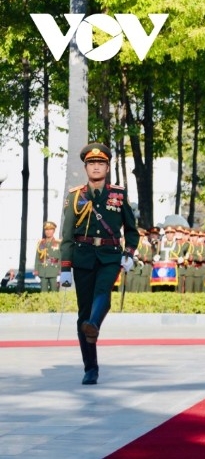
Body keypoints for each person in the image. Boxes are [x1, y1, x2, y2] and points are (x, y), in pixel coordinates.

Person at [58, 143, 139, 385]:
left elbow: (131, 230)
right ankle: (90, 368)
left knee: (103, 292)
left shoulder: (118, 195)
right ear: (86, 168)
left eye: (101, 163)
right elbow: (67, 234)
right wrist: (65, 267)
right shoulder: (75, 196)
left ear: (107, 167)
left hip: (110, 255)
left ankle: (93, 324)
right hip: (82, 256)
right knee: (83, 312)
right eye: (92, 163)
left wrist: (129, 253)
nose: (96, 167)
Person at [34, 221, 61, 292]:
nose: (48, 231)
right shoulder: (41, 243)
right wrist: (36, 272)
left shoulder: (58, 243)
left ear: (54, 231)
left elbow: (61, 258)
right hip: (43, 271)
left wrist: (60, 273)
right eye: (46, 229)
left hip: (54, 271)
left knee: (54, 293)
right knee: (43, 293)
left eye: (50, 229)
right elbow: (37, 258)